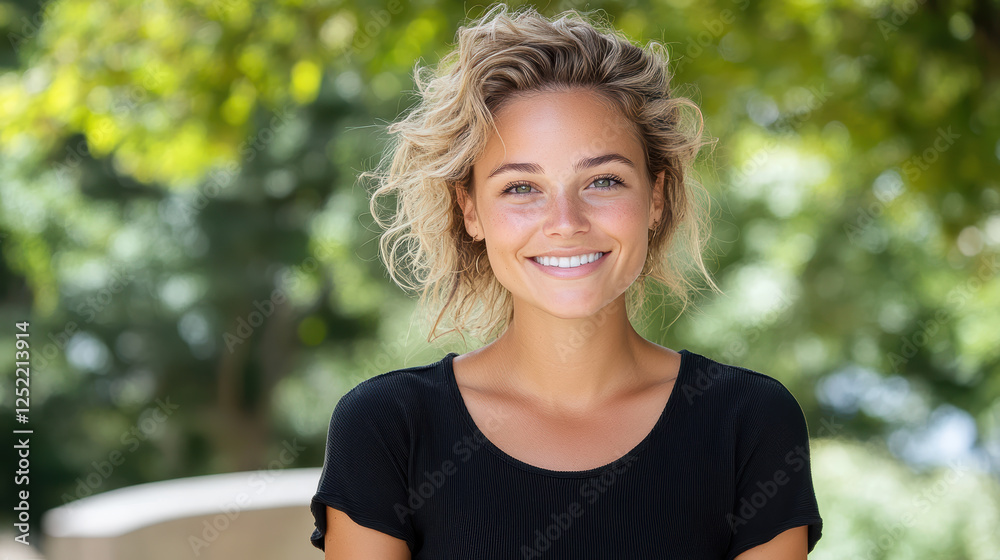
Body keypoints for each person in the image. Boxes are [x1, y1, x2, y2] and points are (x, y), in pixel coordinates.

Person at [309, 4, 823, 558]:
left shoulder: (750, 423)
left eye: (603, 180)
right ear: (470, 211)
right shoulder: (386, 430)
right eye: (521, 188)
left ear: (656, 195)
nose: (566, 223)